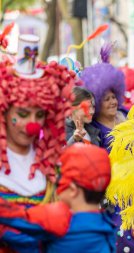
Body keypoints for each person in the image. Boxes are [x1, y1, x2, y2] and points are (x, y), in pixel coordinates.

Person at [0, 39, 76, 252]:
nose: (32, 125)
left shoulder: (53, 166)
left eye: (39, 114)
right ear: (4, 113)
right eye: (22, 114)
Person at [0, 144, 116, 253]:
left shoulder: (60, 219)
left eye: (61, 176)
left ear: (73, 190)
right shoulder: (106, 224)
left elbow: (15, 220)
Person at [81, 43, 127, 152]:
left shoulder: (124, 114)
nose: (113, 102)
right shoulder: (94, 129)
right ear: (96, 103)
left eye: (114, 97)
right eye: (107, 99)